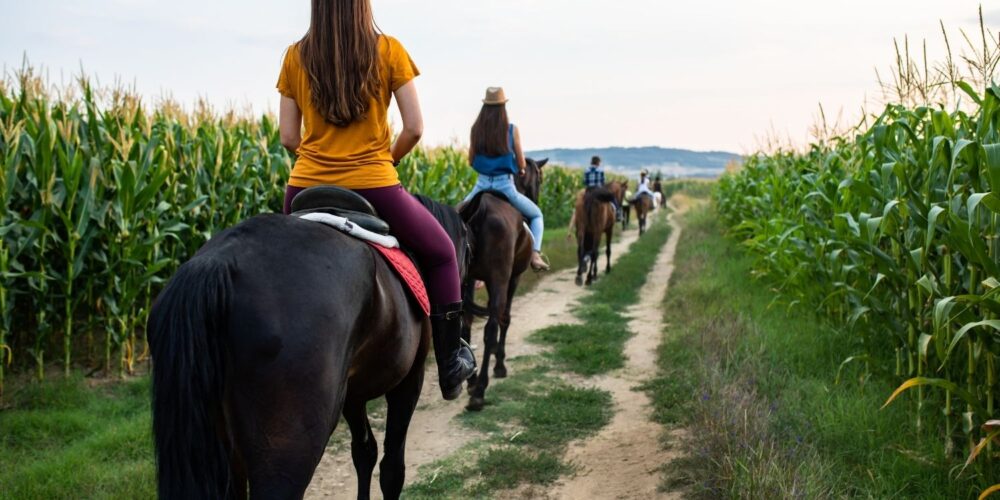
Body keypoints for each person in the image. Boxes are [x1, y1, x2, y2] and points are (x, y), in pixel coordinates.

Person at [276, 0, 474, 401]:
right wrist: (387, 157)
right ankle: (451, 362)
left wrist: (321, 159)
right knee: (440, 254)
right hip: (374, 183)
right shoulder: (389, 50)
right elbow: (415, 128)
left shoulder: (296, 56)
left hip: (304, 187)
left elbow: (287, 137)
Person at [463, 87, 549, 271]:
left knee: (457, 216)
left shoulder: (476, 130)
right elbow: (521, 162)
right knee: (536, 215)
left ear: (484, 107)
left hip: (481, 185)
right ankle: (535, 254)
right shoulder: (511, 130)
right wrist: (522, 170)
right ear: (503, 107)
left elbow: (471, 160)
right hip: (506, 187)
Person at [583, 156, 621, 221]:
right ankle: (617, 213)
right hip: (598, 190)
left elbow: (584, 182)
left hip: (589, 191)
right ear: (598, 162)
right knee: (612, 196)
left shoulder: (586, 170)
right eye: (599, 162)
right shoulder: (600, 170)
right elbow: (602, 182)